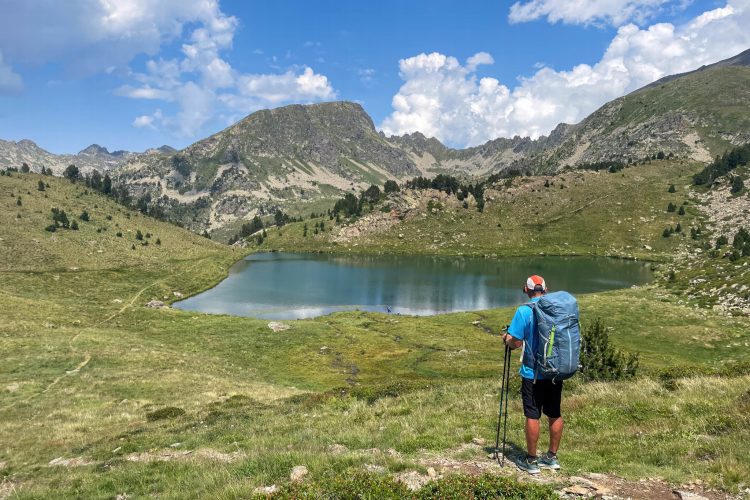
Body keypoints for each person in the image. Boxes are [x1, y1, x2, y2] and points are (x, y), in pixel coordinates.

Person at [501, 275, 563, 474]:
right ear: (545, 290)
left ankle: (531, 460)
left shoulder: (523, 311)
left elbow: (516, 343)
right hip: (555, 371)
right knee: (554, 413)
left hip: (532, 373)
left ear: (526, 290)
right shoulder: (557, 309)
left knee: (532, 414)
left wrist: (507, 339)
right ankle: (552, 458)